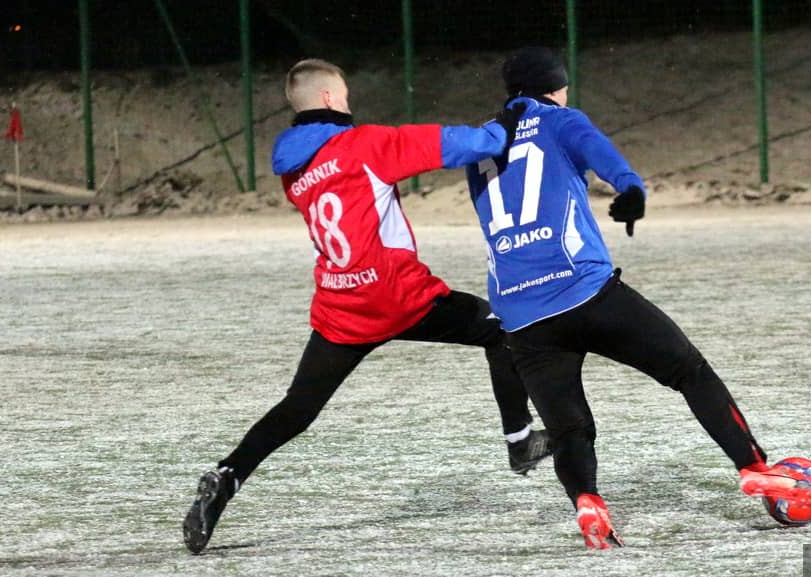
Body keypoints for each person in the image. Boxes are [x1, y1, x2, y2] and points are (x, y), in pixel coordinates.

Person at [464, 47, 811, 549]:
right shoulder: (560, 118)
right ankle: (753, 467)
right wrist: (631, 189)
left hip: (521, 314)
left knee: (569, 429)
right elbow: (603, 156)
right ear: (554, 86)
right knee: (689, 371)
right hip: (585, 291)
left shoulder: (480, 143)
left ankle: (588, 504)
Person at [183, 58, 550, 555]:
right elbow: (473, 144)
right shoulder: (367, 143)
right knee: (502, 328)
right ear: (330, 98)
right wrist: (512, 115)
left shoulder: (294, 171)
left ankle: (227, 476)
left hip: (342, 304)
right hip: (398, 295)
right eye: (345, 94)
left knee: (298, 408)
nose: (348, 102)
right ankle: (520, 440)